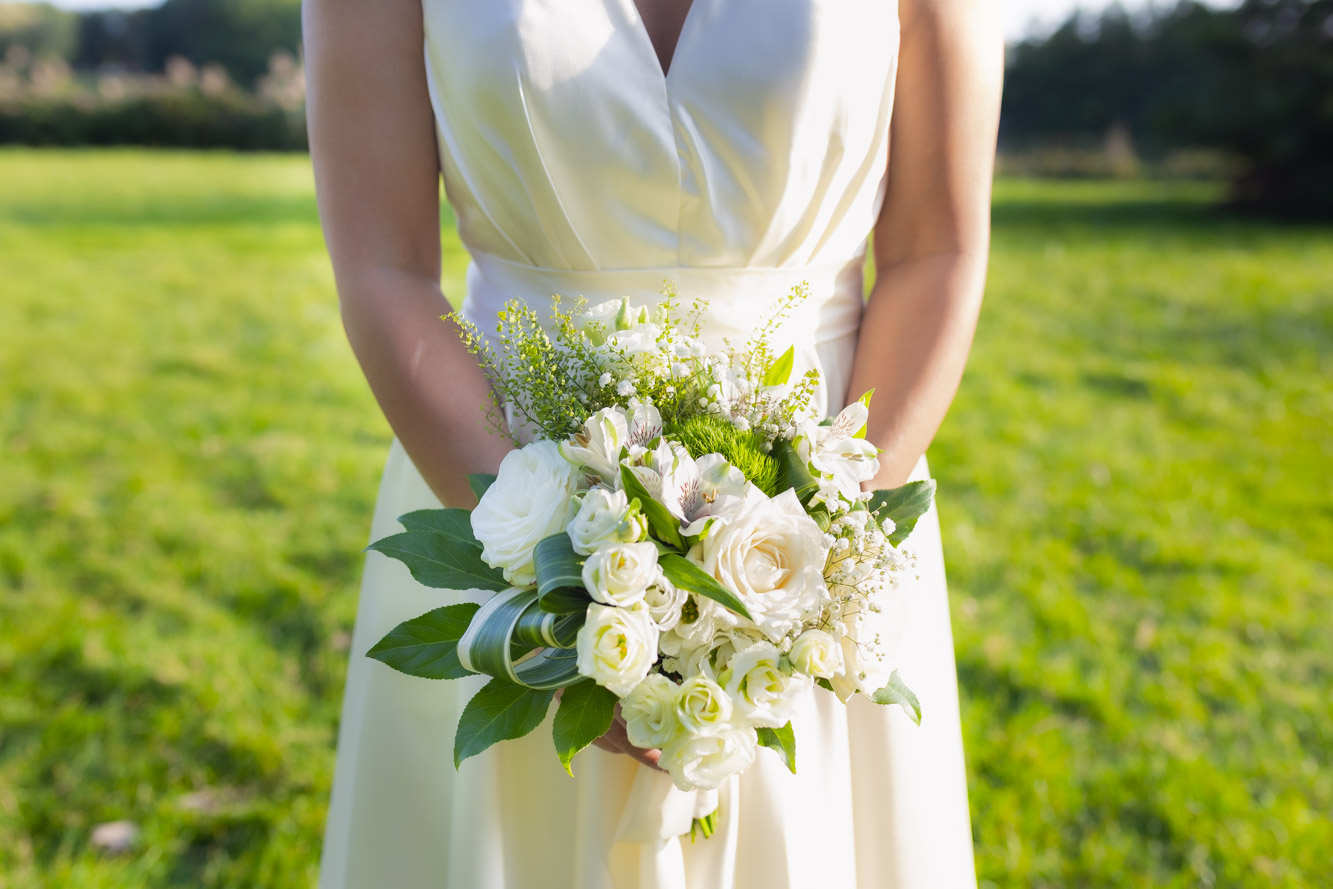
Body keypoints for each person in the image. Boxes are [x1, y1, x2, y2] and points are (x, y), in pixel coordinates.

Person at [306, 0, 1001, 886]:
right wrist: (551, 591)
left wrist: (814, 562)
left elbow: (933, 248)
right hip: (486, 482)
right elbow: (383, 267)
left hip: (825, 518)